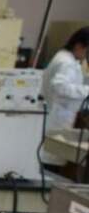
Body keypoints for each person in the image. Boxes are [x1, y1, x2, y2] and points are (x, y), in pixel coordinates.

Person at [41, 26, 89, 167]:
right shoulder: (67, 62)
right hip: (56, 116)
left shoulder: (66, 58)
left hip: (57, 115)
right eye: (87, 51)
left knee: (49, 156)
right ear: (79, 45)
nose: (86, 55)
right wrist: (86, 90)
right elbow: (60, 87)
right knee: (49, 159)